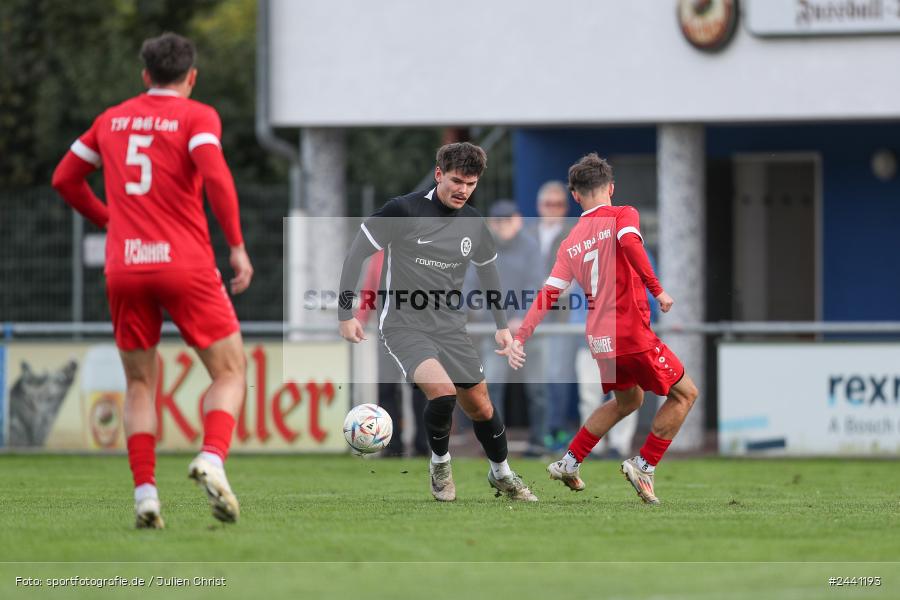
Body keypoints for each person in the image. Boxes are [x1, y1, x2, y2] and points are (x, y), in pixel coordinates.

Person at [51, 33, 252, 528]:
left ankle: (146, 497)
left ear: (144, 75)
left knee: (140, 383)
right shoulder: (197, 116)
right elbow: (217, 175)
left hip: (126, 267)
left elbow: (64, 179)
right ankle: (211, 457)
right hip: (185, 263)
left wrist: (109, 222)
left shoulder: (111, 119)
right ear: (191, 77)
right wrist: (237, 246)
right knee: (229, 371)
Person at [338, 142, 537, 502]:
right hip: (403, 326)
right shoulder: (404, 209)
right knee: (443, 392)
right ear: (439, 174)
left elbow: (489, 272)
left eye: (471, 184)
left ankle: (502, 473)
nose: (463, 190)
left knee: (482, 407)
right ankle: (440, 466)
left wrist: (501, 325)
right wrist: (345, 312)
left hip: (450, 327)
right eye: (457, 181)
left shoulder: (474, 223)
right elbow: (357, 252)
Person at [502, 153, 699, 504]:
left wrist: (520, 337)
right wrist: (659, 290)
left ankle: (569, 460)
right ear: (611, 187)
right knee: (685, 394)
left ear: (575, 196)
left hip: (599, 337)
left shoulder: (570, 240)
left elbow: (548, 294)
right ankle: (644, 464)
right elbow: (630, 244)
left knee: (629, 399)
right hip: (629, 330)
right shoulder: (624, 214)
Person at [463, 200, 546, 455]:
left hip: (531, 332)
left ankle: (539, 444)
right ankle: (494, 443)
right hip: (495, 334)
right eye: (498, 221)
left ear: (518, 220)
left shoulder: (531, 248)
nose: (503, 226)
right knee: (491, 389)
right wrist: (492, 319)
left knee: (538, 390)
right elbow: (469, 290)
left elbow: (536, 288)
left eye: (507, 220)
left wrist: (521, 318)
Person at [528, 181, 577, 449]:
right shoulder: (528, 233)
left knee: (558, 372)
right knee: (538, 374)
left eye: (558, 205)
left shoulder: (573, 234)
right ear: (539, 206)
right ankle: (541, 429)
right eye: (548, 204)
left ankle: (555, 428)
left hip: (561, 315)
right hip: (532, 313)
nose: (553, 210)